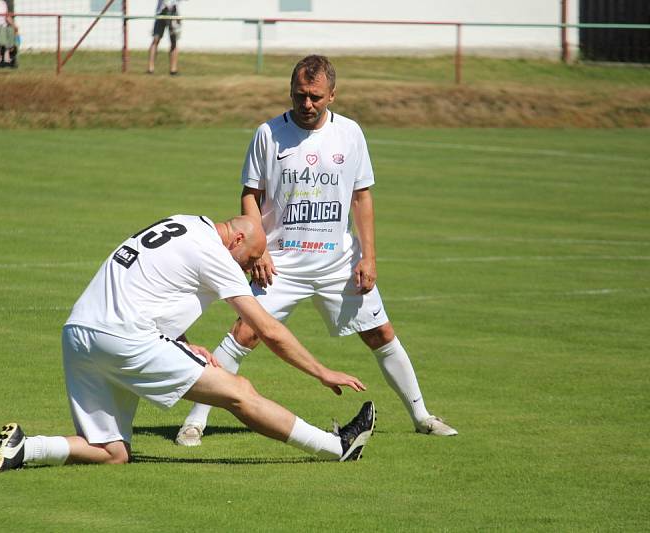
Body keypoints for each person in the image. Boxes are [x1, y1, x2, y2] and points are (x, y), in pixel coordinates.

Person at [176, 55, 458, 447]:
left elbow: (362, 197)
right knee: (245, 332)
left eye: (315, 97)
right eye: (299, 96)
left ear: (332, 95)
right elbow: (250, 195)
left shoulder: (351, 134)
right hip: (280, 264)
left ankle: (422, 416)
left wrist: (369, 257)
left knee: (380, 334)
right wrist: (258, 252)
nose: (306, 104)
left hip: (337, 263)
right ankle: (195, 421)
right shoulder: (268, 134)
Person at [0, 214, 377, 473]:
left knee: (112, 452)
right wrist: (322, 372)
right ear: (237, 239)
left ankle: (24, 449)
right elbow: (267, 329)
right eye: (250, 259)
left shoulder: (183, 223)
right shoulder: (216, 255)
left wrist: (183, 342)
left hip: (79, 335)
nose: (249, 269)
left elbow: (153, 288)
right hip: (124, 337)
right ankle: (336, 447)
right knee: (238, 391)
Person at [146, 0, 181, 75]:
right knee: (156, 39)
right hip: (161, 12)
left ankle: (173, 70)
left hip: (173, 13)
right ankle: (150, 68)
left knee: (173, 41)